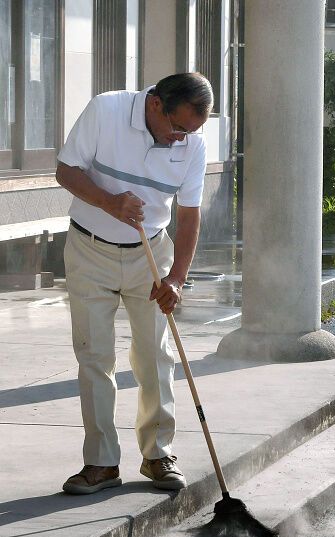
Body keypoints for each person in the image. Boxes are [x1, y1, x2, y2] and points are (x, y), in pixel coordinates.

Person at [56, 73, 213, 494]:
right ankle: (102, 463)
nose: (182, 139)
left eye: (192, 132)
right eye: (178, 128)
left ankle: (158, 454)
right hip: (90, 250)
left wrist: (176, 279)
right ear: (156, 104)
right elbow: (65, 171)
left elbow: (188, 216)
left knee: (155, 356)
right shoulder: (106, 109)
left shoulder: (193, 144)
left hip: (152, 255)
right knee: (95, 356)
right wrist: (109, 202)